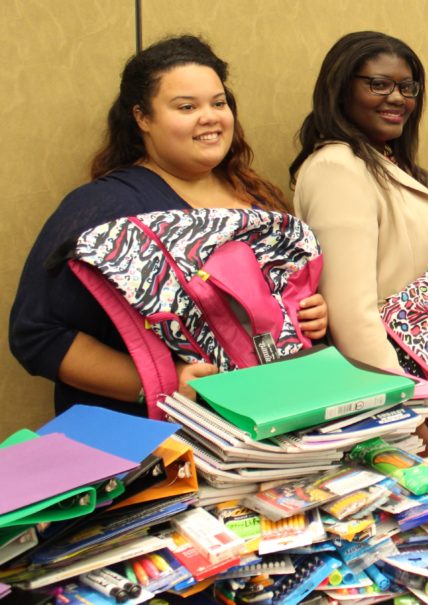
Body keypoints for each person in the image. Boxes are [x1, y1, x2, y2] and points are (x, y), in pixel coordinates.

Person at [9, 35, 327, 417]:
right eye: (186, 106)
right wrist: (164, 381)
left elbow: (268, 305)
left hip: (270, 429)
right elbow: (37, 335)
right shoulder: (105, 208)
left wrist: (309, 314)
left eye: (218, 102)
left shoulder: (256, 199)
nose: (209, 117)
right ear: (142, 117)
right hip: (155, 448)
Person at [289, 31, 428, 453]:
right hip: (386, 398)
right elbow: (352, 318)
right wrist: (409, 417)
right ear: (341, 88)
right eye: (378, 84)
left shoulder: (382, 160)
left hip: (426, 382)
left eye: (407, 87)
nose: (397, 98)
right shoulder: (337, 167)